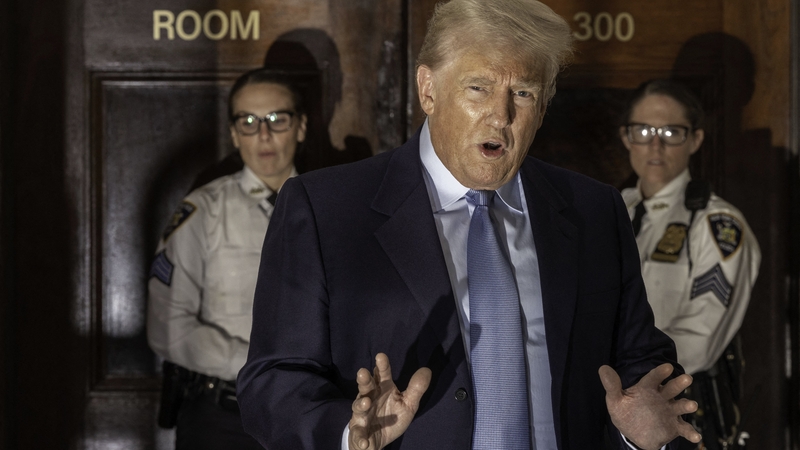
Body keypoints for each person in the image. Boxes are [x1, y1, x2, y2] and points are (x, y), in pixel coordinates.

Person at [238, 1, 701, 449]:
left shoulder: (594, 210)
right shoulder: (324, 209)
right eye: (478, 88)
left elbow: (642, 368)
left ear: (542, 108)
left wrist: (639, 436)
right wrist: (346, 435)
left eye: (523, 92)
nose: (501, 115)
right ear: (429, 90)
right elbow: (273, 382)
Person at [147, 68, 307, 449]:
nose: (264, 135)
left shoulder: (334, 208)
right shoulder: (203, 212)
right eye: (248, 122)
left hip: (309, 413)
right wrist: (260, 368)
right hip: (223, 419)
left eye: (276, 120)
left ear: (300, 126)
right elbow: (168, 328)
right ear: (234, 134)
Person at [619, 79, 761, 448]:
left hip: (676, 411)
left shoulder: (715, 224)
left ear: (695, 140)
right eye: (643, 130)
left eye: (670, 132)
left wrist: (629, 373)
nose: (655, 144)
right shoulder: (613, 211)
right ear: (626, 137)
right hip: (611, 405)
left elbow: (702, 336)